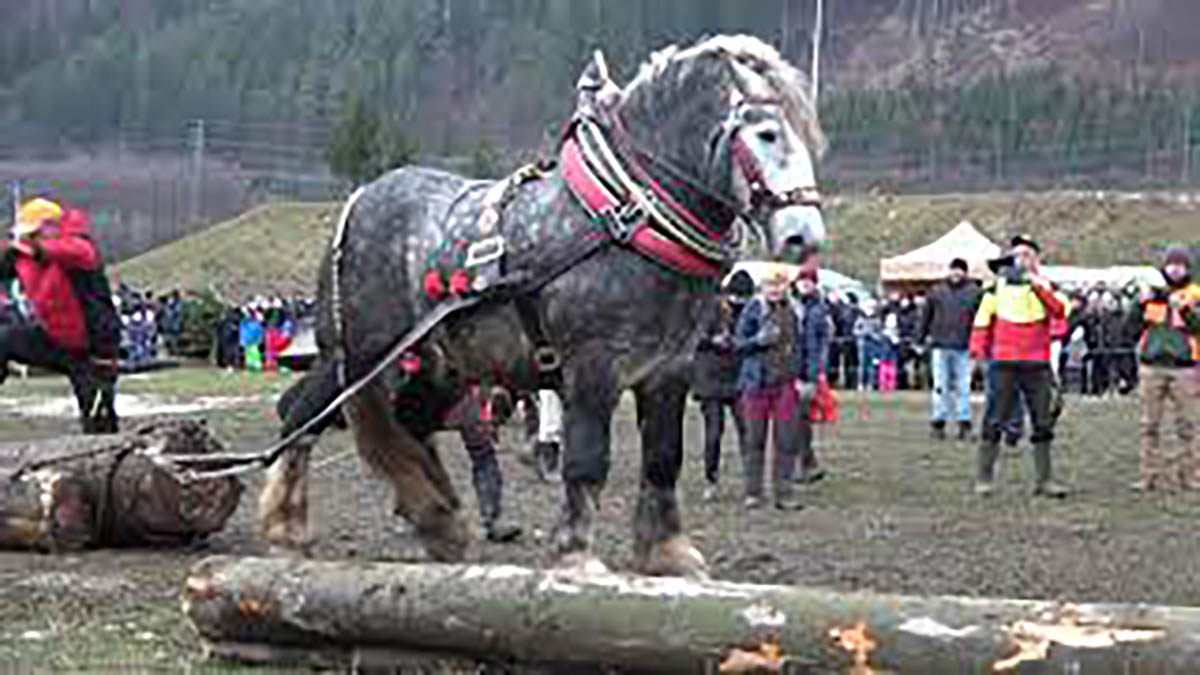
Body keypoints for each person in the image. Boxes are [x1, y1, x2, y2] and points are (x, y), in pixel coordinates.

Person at [0, 198, 119, 433]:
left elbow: (72, 251)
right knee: (2, 340)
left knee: (98, 420)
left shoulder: (80, 247)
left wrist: (38, 250)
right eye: (26, 235)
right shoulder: (24, 255)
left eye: (33, 234)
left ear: (51, 227)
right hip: (55, 338)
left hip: (93, 349)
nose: (28, 239)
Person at [970, 235, 1070, 497]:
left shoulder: (1047, 285)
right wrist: (977, 351)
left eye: (1027, 254)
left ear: (1037, 260)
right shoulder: (996, 288)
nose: (1021, 260)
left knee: (1043, 421)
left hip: (1037, 363)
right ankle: (984, 478)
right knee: (994, 419)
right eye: (1017, 255)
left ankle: (1044, 481)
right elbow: (982, 320)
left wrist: (1038, 287)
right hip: (1003, 362)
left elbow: (1058, 311)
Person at [734, 265, 829, 510]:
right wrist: (758, 340)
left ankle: (784, 494)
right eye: (770, 285)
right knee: (755, 439)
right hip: (756, 384)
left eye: (779, 285)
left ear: (787, 287)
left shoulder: (797, 311)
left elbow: (808, 346)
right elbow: (737, 344)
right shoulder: (753, 309)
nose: (774, 290)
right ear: (762, 287)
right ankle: (753, 492)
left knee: (786, 440)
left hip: (787, 384)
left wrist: (809, 378)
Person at [1129, 247, 1200, 492]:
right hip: (1152, 367)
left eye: (1180, 265)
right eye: (1171, 264)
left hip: (1185, 368)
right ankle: (1148, 477)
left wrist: (1185, 309)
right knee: (1149, 426)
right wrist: (1138, 305)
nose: (1175, 269)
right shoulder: (1152, 296)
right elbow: (1131, 328)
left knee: (1187, 426)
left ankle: (1190, 477)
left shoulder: (1195, 295)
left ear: (1188, 269)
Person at [692, 270, 754, 502]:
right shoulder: (709, 309)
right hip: (710, 378)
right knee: (713, 433)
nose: (739, 302)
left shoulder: (750, 311)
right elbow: (694, 336)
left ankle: (751, 481)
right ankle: (711, 480)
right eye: (736, 297)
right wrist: (712, 341)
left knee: (747, 432)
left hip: (738, 378)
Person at [918, 258, 982, 441]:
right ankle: (939, 421)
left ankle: (964, 422)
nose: (956, 274)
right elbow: (926, 316)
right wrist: (920, 339)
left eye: (960, 270)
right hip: (940, 345)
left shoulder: (974, 293)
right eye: (954, 270)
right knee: (940, 386)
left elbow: (980, 319)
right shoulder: (936, 292)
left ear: (965, 273)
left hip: (964, 345)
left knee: (964, 386)